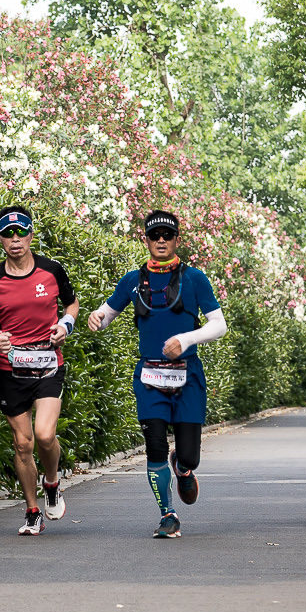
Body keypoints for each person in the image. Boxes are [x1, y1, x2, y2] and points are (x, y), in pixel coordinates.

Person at [87, 211, 227, 538]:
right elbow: (106, 314)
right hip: (150, 377)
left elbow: (219, 325)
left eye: (167, 235)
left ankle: (183, 466)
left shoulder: (195, 279)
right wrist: (97, 317)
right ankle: (168, 514)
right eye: (154, 236)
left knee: (189, 454)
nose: (161, 240)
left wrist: (185, 339)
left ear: (178, 239)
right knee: (153, 446)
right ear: (146, 240)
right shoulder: (132, 281)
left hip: (187, 377)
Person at [0, 206, 79, 535]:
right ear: (0, 239)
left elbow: (71, 304)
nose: (15, 239)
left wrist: (66, 325)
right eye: (7, 233)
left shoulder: (52, 270)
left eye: (21, 232)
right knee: (23, 443)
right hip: (11, 370)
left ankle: (52, 481)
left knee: (45, 435)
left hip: (48, 364)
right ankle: (32, 511)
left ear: (32, 235)